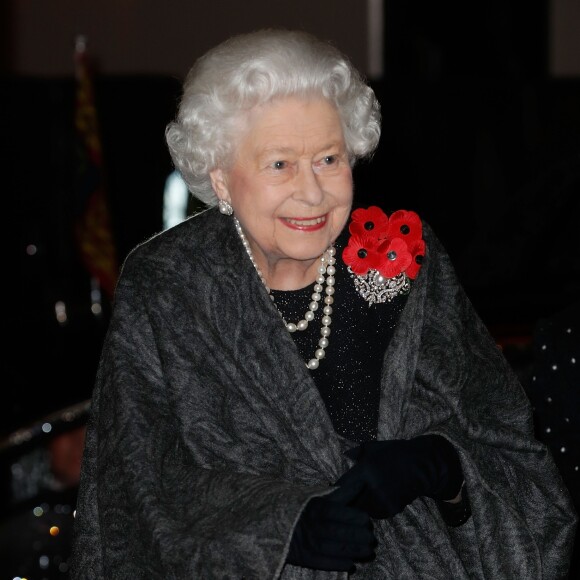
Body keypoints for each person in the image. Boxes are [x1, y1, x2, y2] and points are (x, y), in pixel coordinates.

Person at [70, 29, 577, 578]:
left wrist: (442, 464)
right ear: (220, 176)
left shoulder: (404, 258)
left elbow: (513, 454)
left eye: (329, 158)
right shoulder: (170, 283)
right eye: (280, 165)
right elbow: (134, 490)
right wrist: (278, 524)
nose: (313, 193)